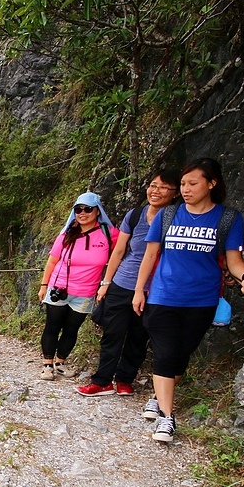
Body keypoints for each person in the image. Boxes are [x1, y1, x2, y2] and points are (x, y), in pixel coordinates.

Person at [132, 157, 244, 442]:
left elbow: (235, 260)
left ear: (211, 184)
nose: (185, 189)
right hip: (164, 295)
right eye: (183, 184)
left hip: (202, 300)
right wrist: (140, 290)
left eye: (192, 183)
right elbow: (149, 255)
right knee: (164, 353)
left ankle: (157, 396)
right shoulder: (167, 215)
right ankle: (166, 418)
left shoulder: (228, 219)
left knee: (180, 356)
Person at [77, 169, 180, 397]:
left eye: (163, 187)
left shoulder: (178, 218)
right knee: (112, 334)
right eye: (153, 185)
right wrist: (106, 282)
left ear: (175, 193)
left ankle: (125, 379)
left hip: (155, 289)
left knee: (139, 336)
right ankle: (102, 381)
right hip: (123, 283)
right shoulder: (135, 215)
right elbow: (119, 251)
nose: (156, 191)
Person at [38, 192, 119, 381]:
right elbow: (52, 261)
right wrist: (44, 285)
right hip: (59, 288)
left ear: (97, 211)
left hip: (86, 292)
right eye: (78, 209)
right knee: (52, 326)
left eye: (88, 209)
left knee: (71, 329)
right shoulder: (67, 234)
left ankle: (60, 362)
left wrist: (106, 283)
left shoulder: (109, 234)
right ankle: (47, 365)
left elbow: (119, 255)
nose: (83, 213)